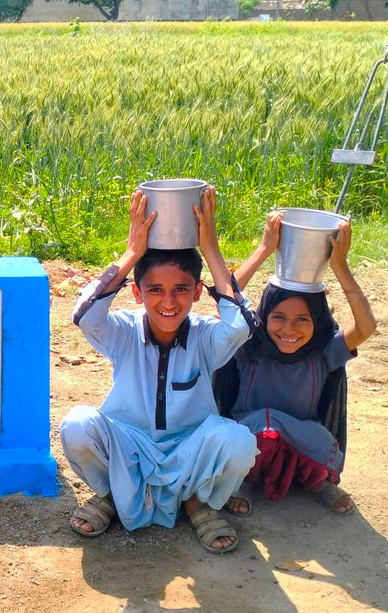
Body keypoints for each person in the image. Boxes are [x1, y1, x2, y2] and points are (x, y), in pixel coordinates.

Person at [59, 187, 259, 554]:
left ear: (197, 292)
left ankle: (196, 503)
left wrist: (210, 249)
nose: (168, 302)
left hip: (189, 451)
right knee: (77, 424)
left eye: (181, 289)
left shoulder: (206, 337)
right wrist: (132, 252)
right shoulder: (123, 331)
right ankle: (111, 495)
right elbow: (84, 315)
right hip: (129, 446)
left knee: (239, 442)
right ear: (137, 293)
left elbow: (242, 325)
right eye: (155, 290)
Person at [216, 213, 376, 517]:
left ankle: (317, 483)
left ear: (318, 322)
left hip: (302, 442)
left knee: (316, 437)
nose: (289, 329)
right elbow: (225, 301)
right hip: (251, 437)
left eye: (303, 319)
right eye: (278, 317)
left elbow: (366, 327)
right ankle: (244, 482)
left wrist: (340, 267)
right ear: (264, 317)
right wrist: (264, 249)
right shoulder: (249, 345)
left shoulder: (323, 351)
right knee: (264, 429)